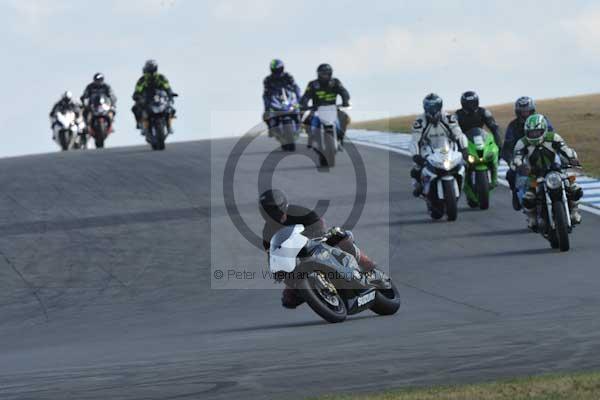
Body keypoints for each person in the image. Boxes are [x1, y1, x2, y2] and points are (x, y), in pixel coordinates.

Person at [259, 189, 379, 309]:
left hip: (316, 244)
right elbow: (272, 254)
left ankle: (367, 264)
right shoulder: (267, 232)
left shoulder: (296, 211)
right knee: (288, 299)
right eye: (269, 211)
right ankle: (316, 293)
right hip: (298, 260)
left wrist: (318, 234)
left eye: (275, 210)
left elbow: (318, 222)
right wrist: (277, 270)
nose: (274, 214)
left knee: (338, 234)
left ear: (283, 206)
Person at [512, 114, 583, 229]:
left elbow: (565, 149)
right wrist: (520, 166)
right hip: (534, 174)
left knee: (574, 188)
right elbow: (516, 157)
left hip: (556, 170)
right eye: (531, 132)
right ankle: (532, 218)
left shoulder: (553, 137)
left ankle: (574, 211)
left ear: (544, 130)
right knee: (528, 198)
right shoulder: (522, 143)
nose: (534, 135)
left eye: (537, 132)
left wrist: (572, 158)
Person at [410, 93, 468, 197]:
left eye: (435, 107)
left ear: (440, 106)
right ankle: (419, 186)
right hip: (428, 150)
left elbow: (459, 134)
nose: (433, 110)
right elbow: (414, 140)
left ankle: (466, 184)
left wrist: (464, 149)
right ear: (425, 107)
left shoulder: (449, 118)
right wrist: (416, 155)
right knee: (416, 169)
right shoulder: (419, 121)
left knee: (465, 164)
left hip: (447, 149)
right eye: (429, 107)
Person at [502, 97, 555, 209]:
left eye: (527, 111)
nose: (525, 114)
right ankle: (516, 195)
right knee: (510, 174)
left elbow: (552, 135)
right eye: (522, 112)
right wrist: (513, 162)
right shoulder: (513, 126)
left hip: (543, 151)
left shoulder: (542, 120)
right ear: (517, 112)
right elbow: (507, 148)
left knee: (561, 168)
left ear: (532, 110)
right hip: (523, 156)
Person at [300, 63, 350, 149]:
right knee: (306, 118)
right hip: (316, 110)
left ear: (330, 74)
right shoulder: (313, 84)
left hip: (333, 109)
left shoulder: (335, 82)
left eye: (326, 74)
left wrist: (345, 101)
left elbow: (344, 92)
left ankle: (340, 138)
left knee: (345, 117)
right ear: (318, 74)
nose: (324, 76)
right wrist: (304, 104)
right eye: (322, 74)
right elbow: (306, 96)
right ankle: (311, 138)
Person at [132, 60, 177, 134]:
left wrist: (170, 94)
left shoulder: (161, 77)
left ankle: (169, 126)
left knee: (171, 109)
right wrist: (136, 95)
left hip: (159, 98)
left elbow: (167, 87)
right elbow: (138, 89)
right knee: (135, 108)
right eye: (149, 69)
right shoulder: (142, 80)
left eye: (152, 69)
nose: (151, 72)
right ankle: (140, 123)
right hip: (147, 99)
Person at [262, 59, 301, 135]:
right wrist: (267, 105)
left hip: (287, 98)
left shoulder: (288, 76)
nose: (277, 72)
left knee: (300, 109)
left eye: (279, 69)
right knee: (266, 114)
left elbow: (295, 87)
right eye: (275, 70)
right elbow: (266, 93)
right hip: (275, 100)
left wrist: (299, 98)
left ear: (282, 68)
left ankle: (300, 124)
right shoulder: (268, 79)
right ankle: (271, 128)